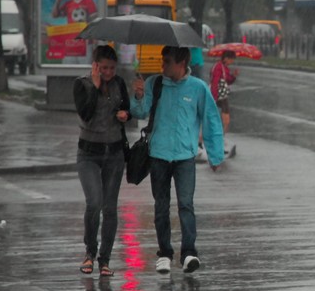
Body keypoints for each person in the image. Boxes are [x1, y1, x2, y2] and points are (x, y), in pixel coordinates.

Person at [131, 46, 224, 274]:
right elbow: (140, 112)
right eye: (163, 61)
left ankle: (189, 253)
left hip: (185, 157)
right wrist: (139, 95)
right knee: (161, 207)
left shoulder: (198, 88)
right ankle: (164, 253)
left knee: (186, 205)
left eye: (167, 61)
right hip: (158, 155)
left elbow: (211, 120)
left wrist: (215, 154)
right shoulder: (155, 83)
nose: (163, 66)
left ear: (181, 62)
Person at [73, 45, 131, 277]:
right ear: (95, 65)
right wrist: (96, 88)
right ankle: (90, 251)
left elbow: (127, 110)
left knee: (110, 207)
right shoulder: (82, 84)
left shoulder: (119, 84)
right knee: (94, 202)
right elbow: (85, 114)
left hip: (114, 153)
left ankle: (104, 259)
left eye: (112, 68)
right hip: (89, 153)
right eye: (104, 68)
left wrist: (127, 114)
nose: (109, 72)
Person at [209, 50, 239, 151]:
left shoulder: (224, 67)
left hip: (222, 95)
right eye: (231, 59)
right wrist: (214, 97)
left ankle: (221, 138)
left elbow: (228, 80)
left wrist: (234, 76)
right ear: (226, 58)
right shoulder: (218, 67)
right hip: (219, 96)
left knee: (224, 118)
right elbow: (214, 82)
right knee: (221, 118)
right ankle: (217, 140)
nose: (232, 62)